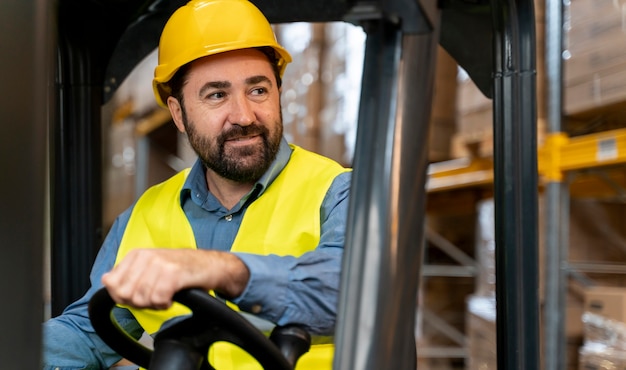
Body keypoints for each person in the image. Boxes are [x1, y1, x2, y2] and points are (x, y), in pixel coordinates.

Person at [42, 0, 351, 368]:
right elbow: (87, 335)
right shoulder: (144, 215)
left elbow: (351, 291)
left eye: (258, 90)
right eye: (217, 95)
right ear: (179, 114)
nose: (243, 116)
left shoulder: (338, 192)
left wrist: (222, 270)